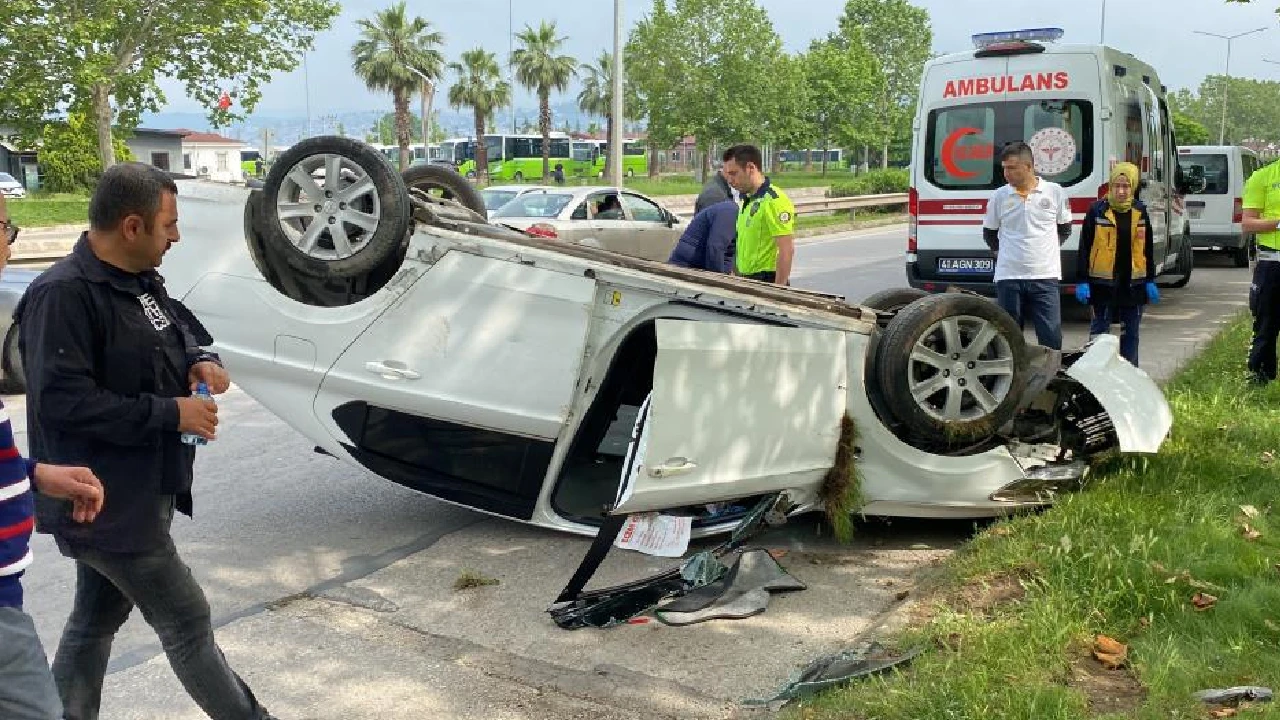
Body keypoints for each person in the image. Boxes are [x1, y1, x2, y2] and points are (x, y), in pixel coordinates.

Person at [15, 162, 279, 720]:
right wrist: (172, 413)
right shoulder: (61, 296)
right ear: (132, 227)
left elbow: (179, 329)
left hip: (143, 491)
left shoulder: (139, 281)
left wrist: (203, 361)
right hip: (104, 505)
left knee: (92, 623)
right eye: (169, 226)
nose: (176, 238)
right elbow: (62, 403)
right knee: (187, 622)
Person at [0, 192, 107, 720]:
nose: (9, 239)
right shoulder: (61, 292)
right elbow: (66, 399)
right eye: (5, 225)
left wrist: (35, 475)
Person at [982, 141, 1073, 350]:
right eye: (1004, 168)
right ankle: (1012, 380)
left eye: (1012, 168)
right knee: (1008, 339)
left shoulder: (1054, 192)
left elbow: (1065, 228)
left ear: (1029, 167)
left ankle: (1050, 378)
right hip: (1009, 277)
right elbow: (989, 233)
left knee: (1050, 337)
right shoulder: (999, 196)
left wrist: (1043, 250)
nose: (1006, 173)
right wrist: (1005, 254)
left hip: (1044, 276)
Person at [1074, 162, 1159, 366]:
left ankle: (1130, 375)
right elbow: (1084, 247)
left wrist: (1150, 280)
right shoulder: (1097, 211)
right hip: (1101, 285)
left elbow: (1147, 249)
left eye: (1126, 186)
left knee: (1131, 334)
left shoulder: (1140, 212)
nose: (1121, 191)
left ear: (1133, 187)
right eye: (1117, 186)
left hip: (1133, 285)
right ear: (1110, 187)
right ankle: (1093, 375)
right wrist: (1083, 280)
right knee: (1099, 335)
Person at [721, 144, 797, 285]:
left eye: (733, 173)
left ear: (750, 168)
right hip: (746, 279)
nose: (730, 181)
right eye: (727, 175)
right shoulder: (748, 199)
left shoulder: (774, 200)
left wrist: (778, 290)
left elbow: (786, 249)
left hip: (766, 281)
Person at [1244, 156, 1280, 384]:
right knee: (1266, 323)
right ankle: (1261, 377)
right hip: (1272, 264)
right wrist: (1277, 223)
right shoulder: (1263, 177)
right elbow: (1248, 223)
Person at [668, 199, 737, 273]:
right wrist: (719, 277)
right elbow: (715, 247)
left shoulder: (729, 210)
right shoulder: (729, 212)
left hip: (692, 264)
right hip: (690, 266)